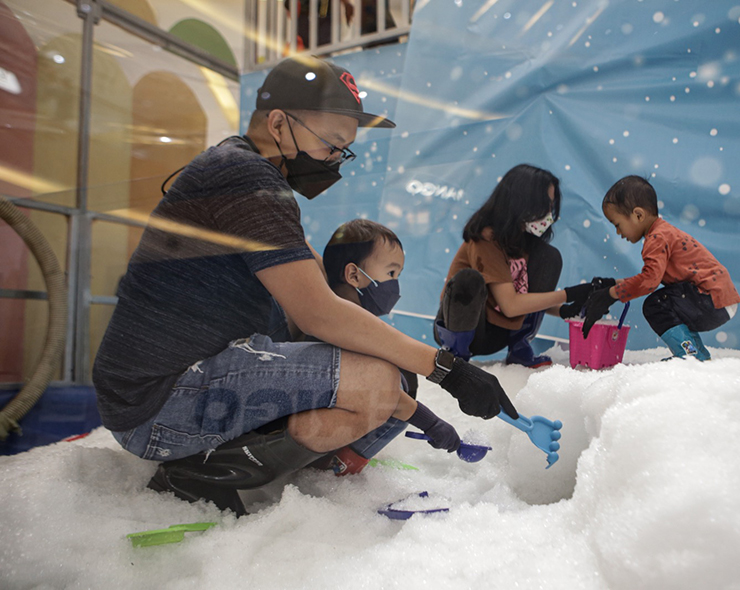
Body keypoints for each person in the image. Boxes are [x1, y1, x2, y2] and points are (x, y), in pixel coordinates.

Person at [92, 56, 517, 517]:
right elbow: (319, 311)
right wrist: (447, 369)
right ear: (278, 123)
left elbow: (317, 283)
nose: (336, 160)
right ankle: (198, 478)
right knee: (377, 381)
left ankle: (304, 469)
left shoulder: (243, 171)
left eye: (343, 150)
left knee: (391, 370)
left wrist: (409, 356)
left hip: (180, 382)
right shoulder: (245, 177)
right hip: (159, 403)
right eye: (331, 144)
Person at [270, 218, 428, 475]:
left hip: (329, 413)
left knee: (402, 377)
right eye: (390, 274)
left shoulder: (352, 319)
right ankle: (333, 465)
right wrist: (429, 421)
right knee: (394, 391)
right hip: (305, 424)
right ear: (354, 275)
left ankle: (341, 458)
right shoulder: (334, 323)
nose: (395, 285)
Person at [434, 164, 611, 368]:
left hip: (500, 331)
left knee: (550, 257)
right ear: (522, 201)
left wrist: (566, 310)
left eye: (551, 205)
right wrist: (569, 294)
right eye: (545, 204)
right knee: (468, 280)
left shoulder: (523, 242)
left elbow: (522, 297)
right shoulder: (485, 239)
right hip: (468, 330)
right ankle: (455, 355)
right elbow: (510, 305)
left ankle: (520, 346)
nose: (548, 213)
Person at [572, 175, 740, 360]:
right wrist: (611, 288)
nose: (618, 233)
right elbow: (651, 278)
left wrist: (611, 294)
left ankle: (687, 355)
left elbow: (649, 281)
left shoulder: (656, 238)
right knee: (671, 302)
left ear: (638, 215)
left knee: (656, 305)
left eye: (618, 225)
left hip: (710, 298)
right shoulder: (664, 233)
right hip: (718, 298)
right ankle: (697, 354)